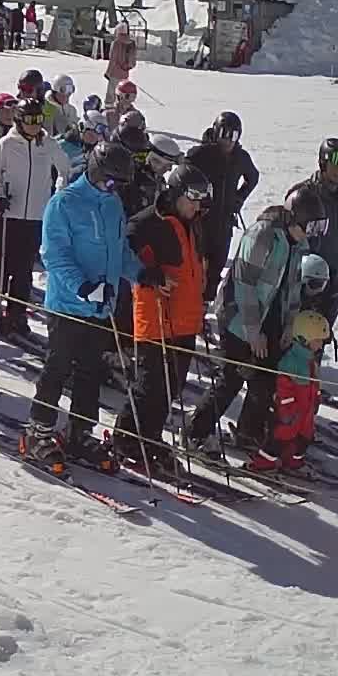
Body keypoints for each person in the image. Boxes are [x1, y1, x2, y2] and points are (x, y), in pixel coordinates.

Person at [21, 142, 141, 473]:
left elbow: (118, 251)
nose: (114, 188)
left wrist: (141, 273)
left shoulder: (113, 204)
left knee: (90, 371)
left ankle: (79, 431)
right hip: (68, 304)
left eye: (119, 184)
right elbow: (54, 255)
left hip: (101, 307)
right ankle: (38, 430)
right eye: (111, 181)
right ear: (96, 171)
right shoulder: (64, 203)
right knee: (58, 367)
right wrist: (84, 288)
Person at [186, 188, 325, 460]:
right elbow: (244, 284)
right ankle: (196, 432)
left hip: (271, 322)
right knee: (232, 379)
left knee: (266, 381)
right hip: (240, 319)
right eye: (311, 225)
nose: (312, 233)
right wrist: (252, 332)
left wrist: (288, 328)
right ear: (295, 218)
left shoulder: (299, 246)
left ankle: (247, 431)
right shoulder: (262, 235)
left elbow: (293, 290)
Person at [116, 163, 212, 470]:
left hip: (184, 319)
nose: (198, 206)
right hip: (155, 316)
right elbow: (122, 252)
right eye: (193, 198)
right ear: (175, 192)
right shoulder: (148, 222)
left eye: (201, 200)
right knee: (149, 386)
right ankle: (126, 438)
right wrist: (148, 274)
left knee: (172, 386)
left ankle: (151, 438)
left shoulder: (192, 221)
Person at [0, 99, 65, 343]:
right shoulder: (7, 144)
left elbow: (65, 169)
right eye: (29, 120)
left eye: (38, 120)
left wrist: (58, 192)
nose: (35, 125)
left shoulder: (48, 144)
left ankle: (17, 313)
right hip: (9, 214)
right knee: (2, 263)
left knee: (23, 268)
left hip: (35, 215)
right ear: (19, 121)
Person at [186, 111, 258, 302]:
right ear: (215, 132)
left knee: (215, 268)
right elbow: (183, 174)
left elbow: (253, 177)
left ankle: (203, 308)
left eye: (233, 135)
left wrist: (239, 199)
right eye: (223, 134)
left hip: (224, 222)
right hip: (200, 221)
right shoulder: (201, 154)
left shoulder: (240, 157)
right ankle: (192, 308)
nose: (228, 140)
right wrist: (195, 200)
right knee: (195, 268)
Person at [288, 137, 338, 325]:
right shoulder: (305, 194)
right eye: (334, 163)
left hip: (334, 280)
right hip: (308, 282)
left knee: (321, 335)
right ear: (323, 163)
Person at [255, 309, 331, 472]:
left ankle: (294, 462)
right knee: (279, 439)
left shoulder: (310, 360)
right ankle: (263, 463)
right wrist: (287, 410)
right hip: (291, 414)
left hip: (306, 413)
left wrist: (316, 399)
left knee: (303, 439)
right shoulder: (291, 361)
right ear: (304, 339)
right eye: (318, 340)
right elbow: (284, 389)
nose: (321, 345)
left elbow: (314, 385)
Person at [104, 21, 137, 106]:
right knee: (122, 91)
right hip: (125, 73)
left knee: (111, 92)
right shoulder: (131, 43)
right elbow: (133, 60)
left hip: (115, 72)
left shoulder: (116, 42)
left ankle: (109, 108)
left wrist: (108, 72)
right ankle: (122, 106)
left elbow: (113, 59)